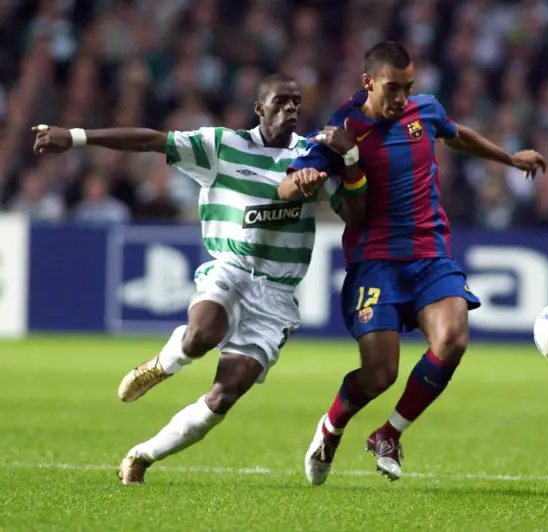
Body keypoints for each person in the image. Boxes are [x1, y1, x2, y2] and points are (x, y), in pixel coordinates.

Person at [32, 74, 353, 485]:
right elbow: (151, 140)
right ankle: (162, 365)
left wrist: (348, 165)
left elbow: (355, 212)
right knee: (199, 336)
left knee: (224, 397)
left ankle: (141, 455)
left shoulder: (312, 156)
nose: (291, 107)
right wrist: (76, 137)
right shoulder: (220, 146)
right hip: (230, 269)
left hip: (277, 294)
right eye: (281, 101)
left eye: (297, 101)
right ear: (259, 108)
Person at [284, 42, 546, 484]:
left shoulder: (424, 110)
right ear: (368, 82)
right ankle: (331, 428)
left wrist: (507, 157)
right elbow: (286, 187)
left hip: (429, 255)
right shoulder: (343, 129)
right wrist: (304, 179)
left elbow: (454, 133)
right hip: (376, 263)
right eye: (392, 88)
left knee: (453, 339)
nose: (402, 98)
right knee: (380, 373)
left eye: (408, 87)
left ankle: (389, 433)